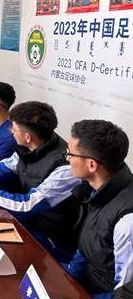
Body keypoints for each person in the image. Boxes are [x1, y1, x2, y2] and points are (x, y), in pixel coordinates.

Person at [0, 101, 81, 262]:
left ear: (27, 137)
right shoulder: (28, 148)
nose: (11, 131)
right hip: (26, 224)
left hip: (51, 241)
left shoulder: (66, 168)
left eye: (14, 129)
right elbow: (0, 170)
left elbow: (27, 204)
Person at [66, 120, 133, 297]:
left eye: (70, 154)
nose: (67, 159)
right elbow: (87, 245)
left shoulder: (128, 221)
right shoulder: (94, 189)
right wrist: (67, 278)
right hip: (90, 279)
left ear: (91, 165)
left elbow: (125, 292)